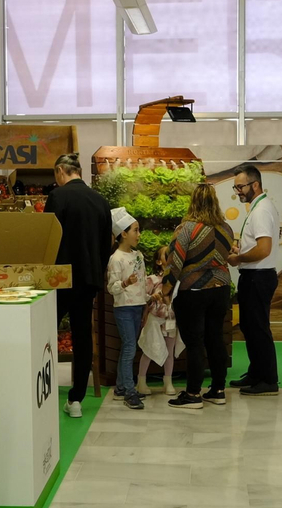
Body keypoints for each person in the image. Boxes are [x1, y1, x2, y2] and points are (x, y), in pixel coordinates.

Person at [45, 153, 112, 419]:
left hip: (58, 278)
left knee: (46, 333)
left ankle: (42, 390)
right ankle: (76, 400)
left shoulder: (58, 197)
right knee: (83, 336)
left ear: (61, 170)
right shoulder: (100, 201)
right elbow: (106, 244)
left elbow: (47, 238)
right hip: (88, 279)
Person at [165, 184, 235, 410]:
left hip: (193, 291)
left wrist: (166, 290)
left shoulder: (187, 229)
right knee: (215, 338)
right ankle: (218, 390)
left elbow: (175, 262)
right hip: (221, 288)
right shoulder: (226, 229)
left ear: (193, 201)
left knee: (194, 342)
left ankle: (193, 393)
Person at [229, 163, 281, 397]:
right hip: (253, 275)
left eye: (240, 186)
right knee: (249, 327)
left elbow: (264, 249)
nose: (238, 191)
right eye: (236, 187)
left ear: (255, 184)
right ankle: (256, 372)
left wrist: (238, 257)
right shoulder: (258, 207)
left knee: (258, 328)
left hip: (258, 276)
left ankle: (268, 379)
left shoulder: (261, 210)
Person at [106, 209, 147, 410]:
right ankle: (129, 391)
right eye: (135, 230)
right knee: (130, 347)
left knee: (129, 346)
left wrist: (147, 300)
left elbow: (143, 281)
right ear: (123, 233)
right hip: (123, 307)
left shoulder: (138, 255)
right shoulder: (116, 259)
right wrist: (124, 283)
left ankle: (121, 387)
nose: (139, 235)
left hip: (137, 305)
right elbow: (111, 287)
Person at [136, 245, 182, 396]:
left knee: (170, 351)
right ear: (158, 262)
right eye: (166, 255)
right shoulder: (152, 280)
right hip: (155, 320)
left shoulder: (177, 280)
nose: (170, 257)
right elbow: (144, 299)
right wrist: (150, 303)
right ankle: (141, 381)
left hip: (171, 320)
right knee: (149, 349)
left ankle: (168, 381)